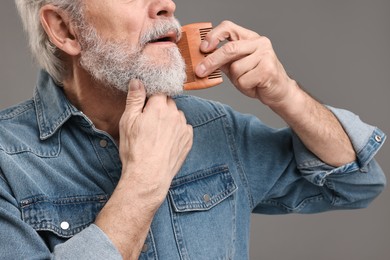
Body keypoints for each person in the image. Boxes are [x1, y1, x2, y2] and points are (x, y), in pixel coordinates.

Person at [0, 0, 386, 259]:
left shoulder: (214, 127)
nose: (166, 4)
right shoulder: (6, 163)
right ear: (65, 28)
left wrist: (286, 94)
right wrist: (143, 182)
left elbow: (356, 184)